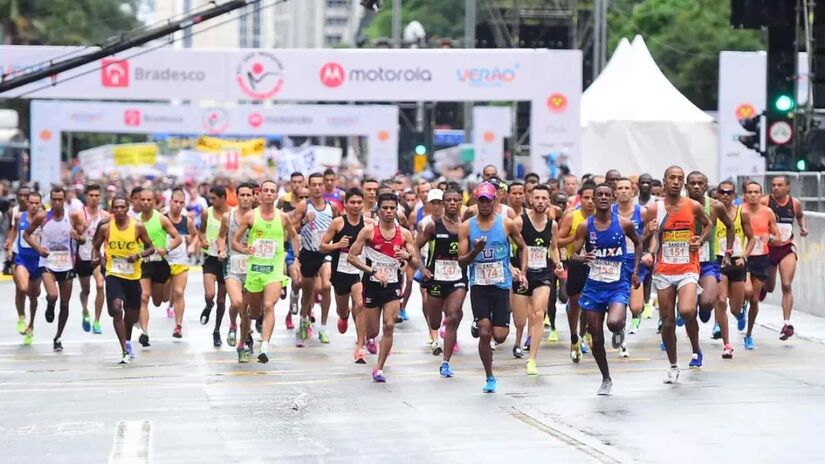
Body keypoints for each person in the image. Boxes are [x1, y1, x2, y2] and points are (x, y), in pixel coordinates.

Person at [571, 183, 642, 395]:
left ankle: (619, 328)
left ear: (612, 199)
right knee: (595, 335)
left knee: (613, 323)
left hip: (617, 284)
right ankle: (605, 377)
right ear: (593, 198)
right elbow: (573, 255)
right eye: (599, 195)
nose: (603, 198)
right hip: (594, 286)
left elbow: (638, 244)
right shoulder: (585, 226)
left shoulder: (624, 224)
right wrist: (582, 257)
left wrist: (636, 270)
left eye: (606, 195)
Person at [459, 182, 528, 393]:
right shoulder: (467, 227)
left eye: (488, 200)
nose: (484, 204)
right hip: (479, 285)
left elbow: (523, 247)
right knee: (485, 331)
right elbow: (462, 261)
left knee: (499, 335)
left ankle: (490, 338)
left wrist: (522, 272)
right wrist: (475, 251)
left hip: (501, 285)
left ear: (495, 200)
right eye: (481, 200)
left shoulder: (506, 224)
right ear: (475, 201)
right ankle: (489, 376)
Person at [645, 166, 711, 383]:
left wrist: (699, 240)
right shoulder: (655, 208)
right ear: (664, 181)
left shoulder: (693, 206)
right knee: (668, 322)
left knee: (687, 310)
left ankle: (695, 347)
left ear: (683, 183)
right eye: (671, 178)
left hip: (688, 268)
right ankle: (673, 364)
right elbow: (652, 238)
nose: (675, 182)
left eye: (679, 179)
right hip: (664, 270)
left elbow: (708, 224)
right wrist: (650, 249)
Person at [347, 192, 420, 382]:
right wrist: (372, 272)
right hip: (371, 285)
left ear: (397, 210)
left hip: (393, 286)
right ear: (378, 210)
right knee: (372, 331)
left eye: (392, 208)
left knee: (389, 325)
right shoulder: (369, 231)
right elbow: (351, 257)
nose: (388, 211)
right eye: (385, 208)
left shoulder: (404, 234)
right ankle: (369, 339)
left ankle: (378, 368)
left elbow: (415, 263)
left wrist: (408, 257)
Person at [231, 180, 301, 363]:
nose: (269, 194)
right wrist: (244, 250)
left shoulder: (283, 217)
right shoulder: (250, 217)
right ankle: (246, 338)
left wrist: (297, 259)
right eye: (266, 191)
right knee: (253, 313)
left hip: (274, 270)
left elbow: (294, 236)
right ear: (260, 194)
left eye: (272, 191)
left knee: (269, 305)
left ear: (276, 195)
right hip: (254, 270)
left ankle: (264, 347)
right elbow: (235, 242)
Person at [91, 194, 154, 364]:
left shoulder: (138, 227)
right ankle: (124, 350)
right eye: (116, 207)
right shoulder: (106, 228)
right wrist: (97, 259)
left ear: (128, 209)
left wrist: (138, 255)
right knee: (116, 308)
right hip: (114, 274)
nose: (119, 210)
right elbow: (95, 246)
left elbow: (151, 248)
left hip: (133, 276)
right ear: (112, 210)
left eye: (122, 207)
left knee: (132, 314)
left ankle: (127, 339)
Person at [511, 184, 563, 375]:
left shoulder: (553, 224)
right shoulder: (519, 222)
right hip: (523, 275)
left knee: (539, 313)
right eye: (537, 198)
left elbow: (554, 247)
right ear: (530, 200)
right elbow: (506, 246)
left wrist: (557, 262)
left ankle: (532, 359)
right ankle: (518, 340)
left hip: (542, 274)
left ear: (549, 201)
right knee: (520, 320)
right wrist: (512, 267)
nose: (540, 202)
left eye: (544, 198)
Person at [24, 187, 84, 352]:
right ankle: (50, 304)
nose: (57, 203)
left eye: (60, 199)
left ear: (64, 200)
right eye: (54, 200)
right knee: (53, 295)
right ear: (50, 200)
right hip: (47, 262)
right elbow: (26, 235)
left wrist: (77, 237)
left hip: (67, 264)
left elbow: (83, 239)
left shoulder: (72, 216)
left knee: (65, 305)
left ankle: (58, 336)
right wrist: (38, 249)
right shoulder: (43, 217)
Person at [415, 188, 467, 377]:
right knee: (435, 321)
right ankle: (435, 332)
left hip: (458, 278)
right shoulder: (433, 226)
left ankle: (446, 362)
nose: (453, 203)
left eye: (456, 200)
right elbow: (415, 247)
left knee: (452, 315)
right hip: (436, 278)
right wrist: (422, 268)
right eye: (449, 200)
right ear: (444, 204)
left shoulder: (467, 226)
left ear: (461, 202)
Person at [319, 188, 368, 360]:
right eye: (352, 202)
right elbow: (322, 246)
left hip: (359, 271)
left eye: (359, 202)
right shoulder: (338, 223)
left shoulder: (368, 224)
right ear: (345, 204)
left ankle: (360, 346)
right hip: (340, 271)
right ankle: (344, 315)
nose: (356, 206)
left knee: (360, 304)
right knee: (342, 308)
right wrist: (337, 245)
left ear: (363, 204)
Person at [292, 172, 339, 345]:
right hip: (308, 253)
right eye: (314, 185)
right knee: (307, 292)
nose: (318, 188)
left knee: (326, 286)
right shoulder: (304, 205)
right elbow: (293, 229)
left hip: (325, 252)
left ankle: (324, 327)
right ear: (309, 186)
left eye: (320, 184)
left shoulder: (331, 207)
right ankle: (304, 320)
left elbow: (338, 226)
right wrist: (303, 221)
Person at [686, 172, 735, 327]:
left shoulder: (715, 206)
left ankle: (703, 304)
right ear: (686, 186)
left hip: (708, 261)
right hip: (684, 263)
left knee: (707, 303)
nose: (696, 186)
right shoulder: (678, 206)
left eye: (700, 183)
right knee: (687, 310)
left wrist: (728, 252)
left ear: (706, 186)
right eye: (692, 183)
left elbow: (730, 226)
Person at [762, 175, 807, 340]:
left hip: (786, 247)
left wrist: (803, 227)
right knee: (769, 287)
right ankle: (762, 288)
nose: (776, 188)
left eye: (780, 185)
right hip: (768, 249)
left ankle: (787, 323)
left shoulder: (794, 203)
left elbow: (800, 215)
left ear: (787, 187)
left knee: (786, 285)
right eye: (773, 185)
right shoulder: (765, 202)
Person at [713, 180, 754, 359]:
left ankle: (741, 311)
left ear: (734, 196)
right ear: (717, 194)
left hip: (737, 261)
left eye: (729, 193)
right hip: (719, 260)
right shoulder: (712, 213)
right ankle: (727, 344)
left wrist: (744, 256)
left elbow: (752, 238)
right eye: (722, 192)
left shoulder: (741, 213)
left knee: (735, 308)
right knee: (721, 301)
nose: (726, 195)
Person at [136, 189, 181, 350]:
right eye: (143, 199)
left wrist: (167, 249)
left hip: (160, 263)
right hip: (143, 263)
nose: (146, 202)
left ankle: (166, 299)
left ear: (154, 202)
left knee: (158, 301)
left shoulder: (161, 218)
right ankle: (144, 332)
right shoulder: (134, 221)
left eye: (149, 200)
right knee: (144, 297)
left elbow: (178, 238)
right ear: (138, 201)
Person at [557, 183, 596, 362]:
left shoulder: (604, 217)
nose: (589, 201)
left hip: (597, 266)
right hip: (577, 265)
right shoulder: (572, 217)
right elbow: (557, 242)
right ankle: (574, 337)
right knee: (575, 304)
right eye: (586, 197)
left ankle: (585, 332)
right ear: (580, 198)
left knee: (591, 305)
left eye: (592, 197)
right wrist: (576, 236)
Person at [612, 178, 651, 355]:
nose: (624, 191)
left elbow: (655, 232)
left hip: (635, 262)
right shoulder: (609, 212)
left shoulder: (641, 212)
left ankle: (635, 318)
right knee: (619, 302)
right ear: (615, 192)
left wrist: (650, 252)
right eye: (620, 188)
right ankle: (621, 338)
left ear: (633, 192)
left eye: (627, 188)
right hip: (614, 262)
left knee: (635, 307)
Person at [744, 181, 781, 350]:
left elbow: (777, 235)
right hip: (743, 257)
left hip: (761, 257)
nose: (753, 195)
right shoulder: (740, 211)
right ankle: (740, 310)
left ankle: (749, 334)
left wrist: (771, 239)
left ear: (761, 194)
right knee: (747, 291)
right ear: (745, 194)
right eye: (750, 192)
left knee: (754, 298)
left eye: (756, 192)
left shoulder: (768, 212)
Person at [219, 182, 255, 352]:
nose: (246, 198)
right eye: (243, 195)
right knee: (236, 302)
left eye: (249, 195)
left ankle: (242, 344)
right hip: (232, 264)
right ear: (237, 196)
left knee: (247, 311)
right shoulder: (228, 216)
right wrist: (221, 249)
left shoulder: (258, 217)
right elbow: (221, 236)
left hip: (252, 267)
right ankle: (233, 324)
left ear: (253, 197)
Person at [72, 184, 109, 335]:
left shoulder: (106, 216)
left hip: (98, 256)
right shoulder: (79, 215)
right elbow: (72, 233)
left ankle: (97, 321)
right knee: (85, 290)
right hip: (83, 256)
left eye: (97, 195)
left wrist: (107, 254)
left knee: (100, 285)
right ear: (86, 197)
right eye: (91, 195)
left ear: (100, 197)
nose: (94, 198)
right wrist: (82, 229)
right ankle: (85, 311)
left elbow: (108, 237)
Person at [7, 191, 42, 345]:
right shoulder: (18, 216)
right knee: (22, 288)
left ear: (40, 204)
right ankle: (21, 316)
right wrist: (9, 243)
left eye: (37, 203)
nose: (33, 206)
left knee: (33, 297)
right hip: (22, 259)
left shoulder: (44, 219)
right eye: (31, 202)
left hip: (38, 261)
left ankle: (31, 325)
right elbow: (14, 231)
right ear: (27, 202)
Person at [165, 188, 199, 338]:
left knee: (179, 292)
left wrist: (192, 245)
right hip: (163, 262)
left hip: (180, 261)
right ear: (170, 202)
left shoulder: (187, 221)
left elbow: (195, 235)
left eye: (181, 203)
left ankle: (178, 326)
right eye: (175, 202)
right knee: (162, 297)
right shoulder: (162, 219)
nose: (178, 205)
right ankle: (167, 304)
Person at [199, 186, 229, 347]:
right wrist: (202, 239)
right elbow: (201, 230)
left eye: (213, 198)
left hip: (225, 261)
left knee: (222, 300)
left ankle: (216, 331)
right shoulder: (206, 213)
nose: (211, 201)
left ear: (223, 197)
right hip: (210, 258)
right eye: (210, 198)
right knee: (210, 294)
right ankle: (208, 305)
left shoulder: (231, 215)